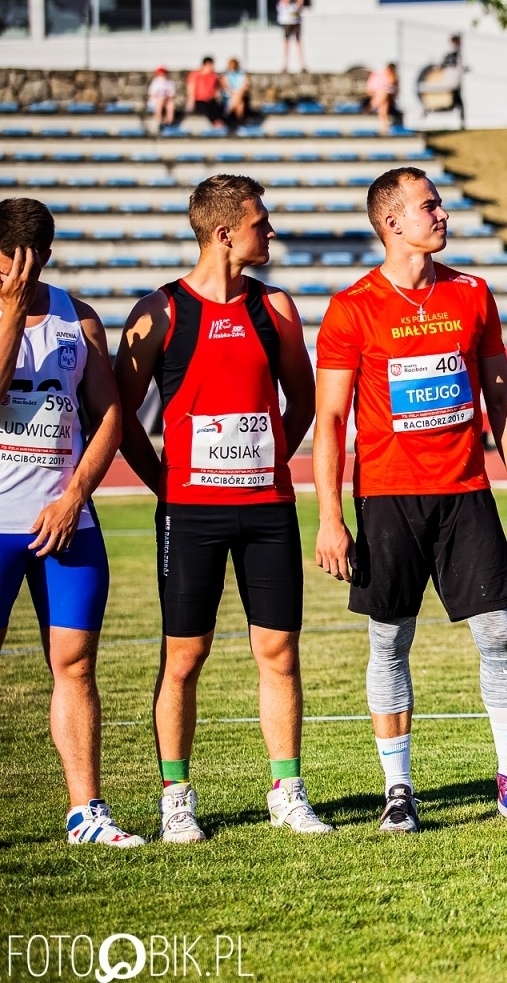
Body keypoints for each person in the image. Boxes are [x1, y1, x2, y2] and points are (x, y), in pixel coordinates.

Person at [312, 166, 507, 832]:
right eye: (429, 206)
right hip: (387, 499)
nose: (441, 215)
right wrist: (330, 516)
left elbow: (501, 398)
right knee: (389, 641)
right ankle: (398, 789)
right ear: (393, 223)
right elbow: (329, 421)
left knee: (498, 633)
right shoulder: (352, 307)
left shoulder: (473, 294)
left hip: (466, 493)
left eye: (439, 204)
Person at [113, 175, 330, 842]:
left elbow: (305, 401)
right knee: (185, 655)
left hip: (268, 510)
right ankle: (176, 797)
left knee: (280, 651)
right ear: (225, 232)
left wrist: (267, 460)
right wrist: (167, 487)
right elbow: (120, 418)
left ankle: (287, 791)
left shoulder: (278, 310)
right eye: (262, 223)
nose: (272, 233)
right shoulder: (162, 312)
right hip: (190, 514)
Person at [0, 199, 141, 846]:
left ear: (47, 257)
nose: (18, 278)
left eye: (27, 267)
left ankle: (86, 811)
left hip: (67, 523)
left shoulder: (78, 318)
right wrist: (8, 310)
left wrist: (75, 494)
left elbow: (109, 414)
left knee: (76, 665)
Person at [277, 0, 307, 74]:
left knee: (298, 42)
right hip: (286, 22)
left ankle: (302, 65)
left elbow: (300, 6)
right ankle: (285, 65)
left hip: (296, 21)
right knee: (286, 43)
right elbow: (282, 4)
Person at [184, 57, 224, 127]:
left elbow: (216, 89)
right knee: (205, 110)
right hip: (199, 100)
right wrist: (191, 101)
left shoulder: (213, 76)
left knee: (217, 109)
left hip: (210, 100)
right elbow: (191, 88)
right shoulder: (195, 75)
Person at [441, 35, 466, 128]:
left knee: (458, 104)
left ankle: (462, 123)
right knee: (453, 104)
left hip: (455, 83)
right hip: (452, 83)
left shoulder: (458, 54)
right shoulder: (452, 55)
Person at [366, 63, 397, 132]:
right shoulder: (379, 74)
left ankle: (372, 105)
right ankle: (373, 105)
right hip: (379, 94)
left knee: (383, 97)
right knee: (383, 102)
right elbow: (371, 87)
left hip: (386, 95)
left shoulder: (393, 77)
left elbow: (392, 88)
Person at [222, 58, 249, 130]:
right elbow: (225, 87)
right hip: (230, 94)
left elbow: (245, 86)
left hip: (237, 95)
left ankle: (229, 110)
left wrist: (237, 92)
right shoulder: (226, 75)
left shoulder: (242, 74)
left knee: (239, 97)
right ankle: (240, 121)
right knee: (240, 103)